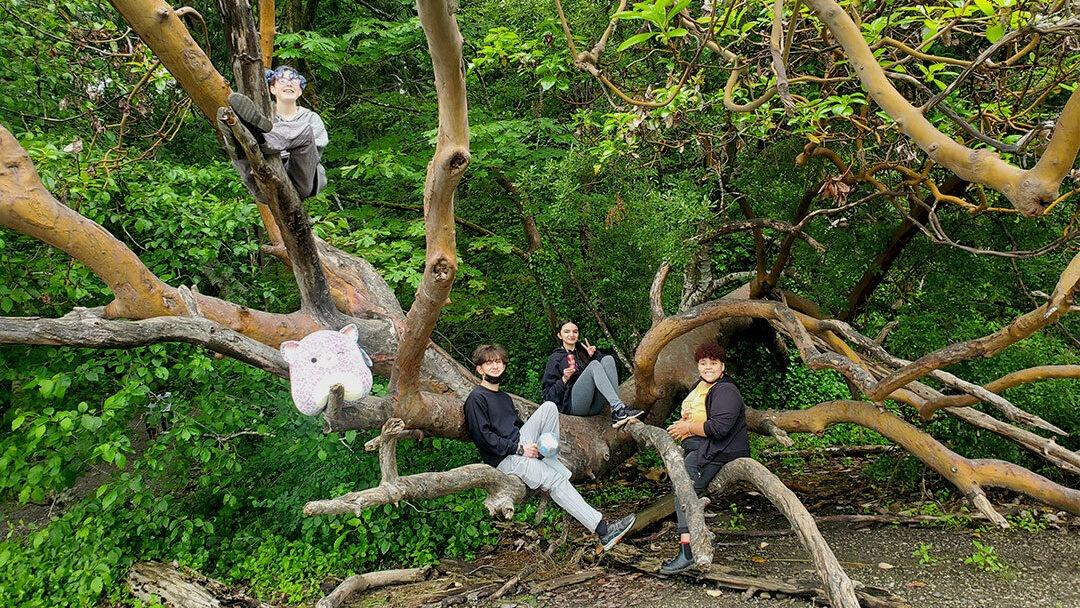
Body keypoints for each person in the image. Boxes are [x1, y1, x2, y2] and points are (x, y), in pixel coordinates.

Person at [464, 344, 636, 551]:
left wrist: (532, 447)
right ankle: (603, 531)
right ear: (479, 369)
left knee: (549, 408)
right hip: (504, 459)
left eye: (498, 362)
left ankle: (548, 457)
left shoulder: (503, 397)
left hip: (520, 445)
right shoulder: (476, 398)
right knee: (556, 480)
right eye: (489, 363)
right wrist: (520, 450)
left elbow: (516, 427)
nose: (495, 366)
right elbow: (484, 439)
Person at [660, 342, 750, 574]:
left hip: (719, 450)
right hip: (700, 447)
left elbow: (719, 428)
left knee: (684, 489)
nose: (708, 367)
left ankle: (687, 551)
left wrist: (688, 426)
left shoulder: (726, 390)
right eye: (703, 363)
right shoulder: (699, 386)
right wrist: (686, 425)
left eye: (713, 363)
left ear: (722, 366)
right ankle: (691, 545)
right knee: (682, 484)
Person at [219, 65, 328, 199]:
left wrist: (273, 144)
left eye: (294, 80)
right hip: (263, 180)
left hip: (299, 182)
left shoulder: (311, 118)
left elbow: (313, 153)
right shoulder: (261, 112)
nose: (289, 83)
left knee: (305, 130)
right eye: (282, 80)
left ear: (300, 90)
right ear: (272, 88)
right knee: (239, 127)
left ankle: (262, 138)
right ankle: (236, 139)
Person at [541, 320, 643, 427]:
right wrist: (564, 379)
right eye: (567, 332)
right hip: (574, 406)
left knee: (608, 359)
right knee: (594, 365)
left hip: (594, 406)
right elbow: (548, 395)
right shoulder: (555, 358)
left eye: (575, 332)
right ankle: (619, 409)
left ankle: (617, 411)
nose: (571, 335)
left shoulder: (583, 352)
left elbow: (608, 369)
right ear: (559, 335)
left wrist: (594, 355)